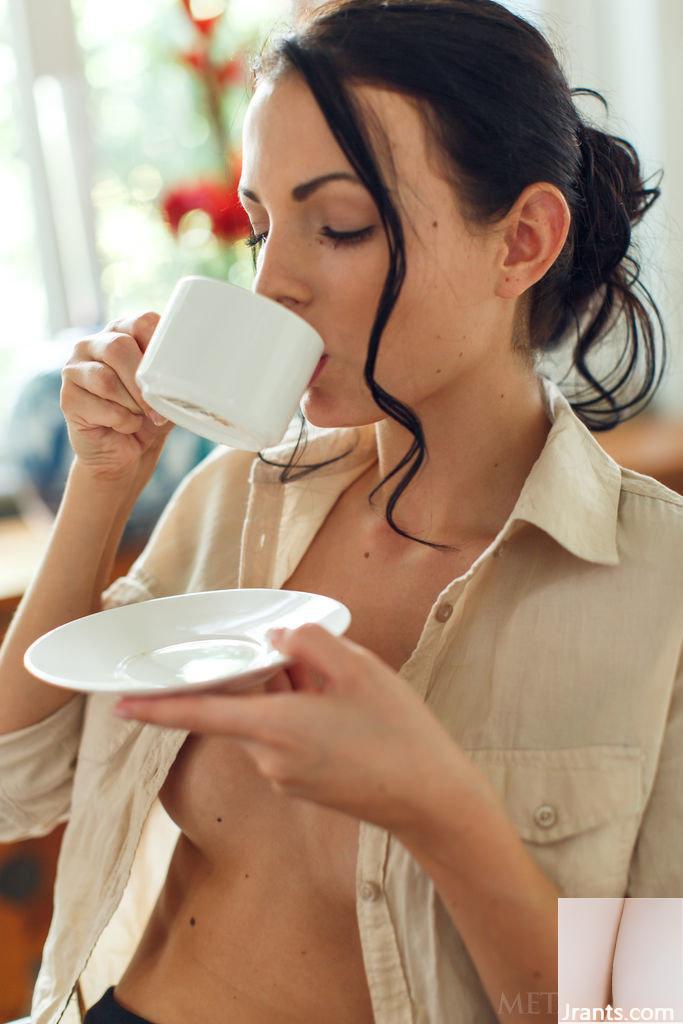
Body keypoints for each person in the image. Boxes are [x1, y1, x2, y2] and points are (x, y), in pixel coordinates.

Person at [0, 0, 681, 1021]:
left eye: (341, 226)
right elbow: (18, 782)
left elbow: (622, 1013)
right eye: (262, 225)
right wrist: (102, 486)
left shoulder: (657, 597)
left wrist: (434, 804)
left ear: (523, 241)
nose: (271, 280)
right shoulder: (235, 499)